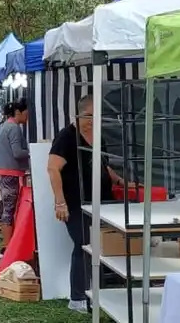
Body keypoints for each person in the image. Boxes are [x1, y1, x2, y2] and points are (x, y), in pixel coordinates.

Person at [48, 97, 125, 311]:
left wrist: (119, 180)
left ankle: (101, 293)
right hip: (75, 202)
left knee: (102, 245)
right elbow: (53, 168)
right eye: (89, 116)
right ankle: (77, 298)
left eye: (97, 116)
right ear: (78, 115)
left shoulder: (98, 136)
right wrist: (60, 202)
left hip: (102, 200)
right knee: (83, 244)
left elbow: (103, 164)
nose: (93, 121)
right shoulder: (66, 137)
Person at [0, 100, 30, 244]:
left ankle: (7, 245)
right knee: (9, 210)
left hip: (6, 171)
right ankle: (6, 246)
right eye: (26, 113)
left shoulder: (6, 125)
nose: (28, 116)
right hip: (11, 172)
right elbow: (17, 153)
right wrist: (32, 151)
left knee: (7, 209)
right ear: (18, 112)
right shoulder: (14, 127)